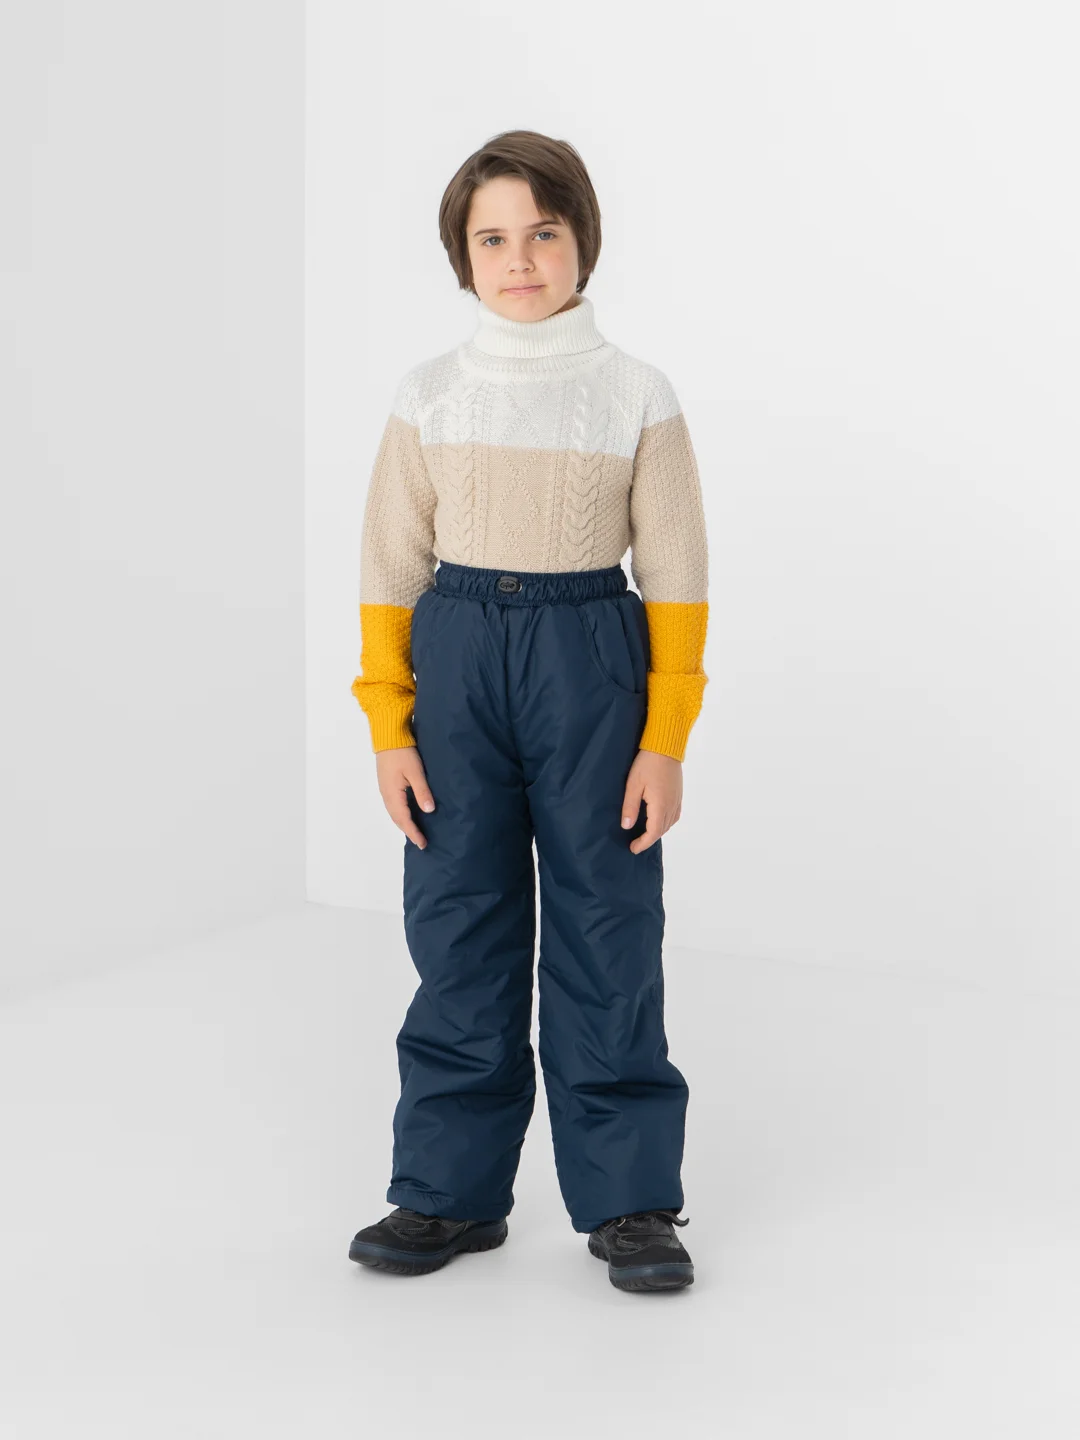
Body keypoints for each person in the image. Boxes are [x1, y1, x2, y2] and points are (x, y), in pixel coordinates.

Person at [346, 129, 708, 1293]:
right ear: (461, 255)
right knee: (459, 922)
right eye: (492, 237)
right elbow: (390, 564)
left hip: (590, 659)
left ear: (582, 241)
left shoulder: (635, 393)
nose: (519, 259)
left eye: (543, 233)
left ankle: (632, 1201)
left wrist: (663, 739)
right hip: (455, 661)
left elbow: (678, 571)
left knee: (609, 923)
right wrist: (389, 725)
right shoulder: (429, 395)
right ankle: (445, 1193)